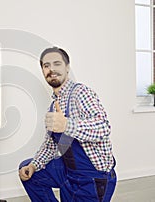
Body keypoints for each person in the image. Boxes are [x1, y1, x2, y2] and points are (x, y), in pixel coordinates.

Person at [19, 47, 116, 202]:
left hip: (92, 177)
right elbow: (50, 146)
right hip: (68, 171)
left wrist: (67, 125)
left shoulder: (81, 93)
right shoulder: (53, 106)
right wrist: (34, 165)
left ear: (67, 67)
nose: (51, 69)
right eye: (46, 66)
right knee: (27, 169)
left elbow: (103, 127)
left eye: (57, 63)